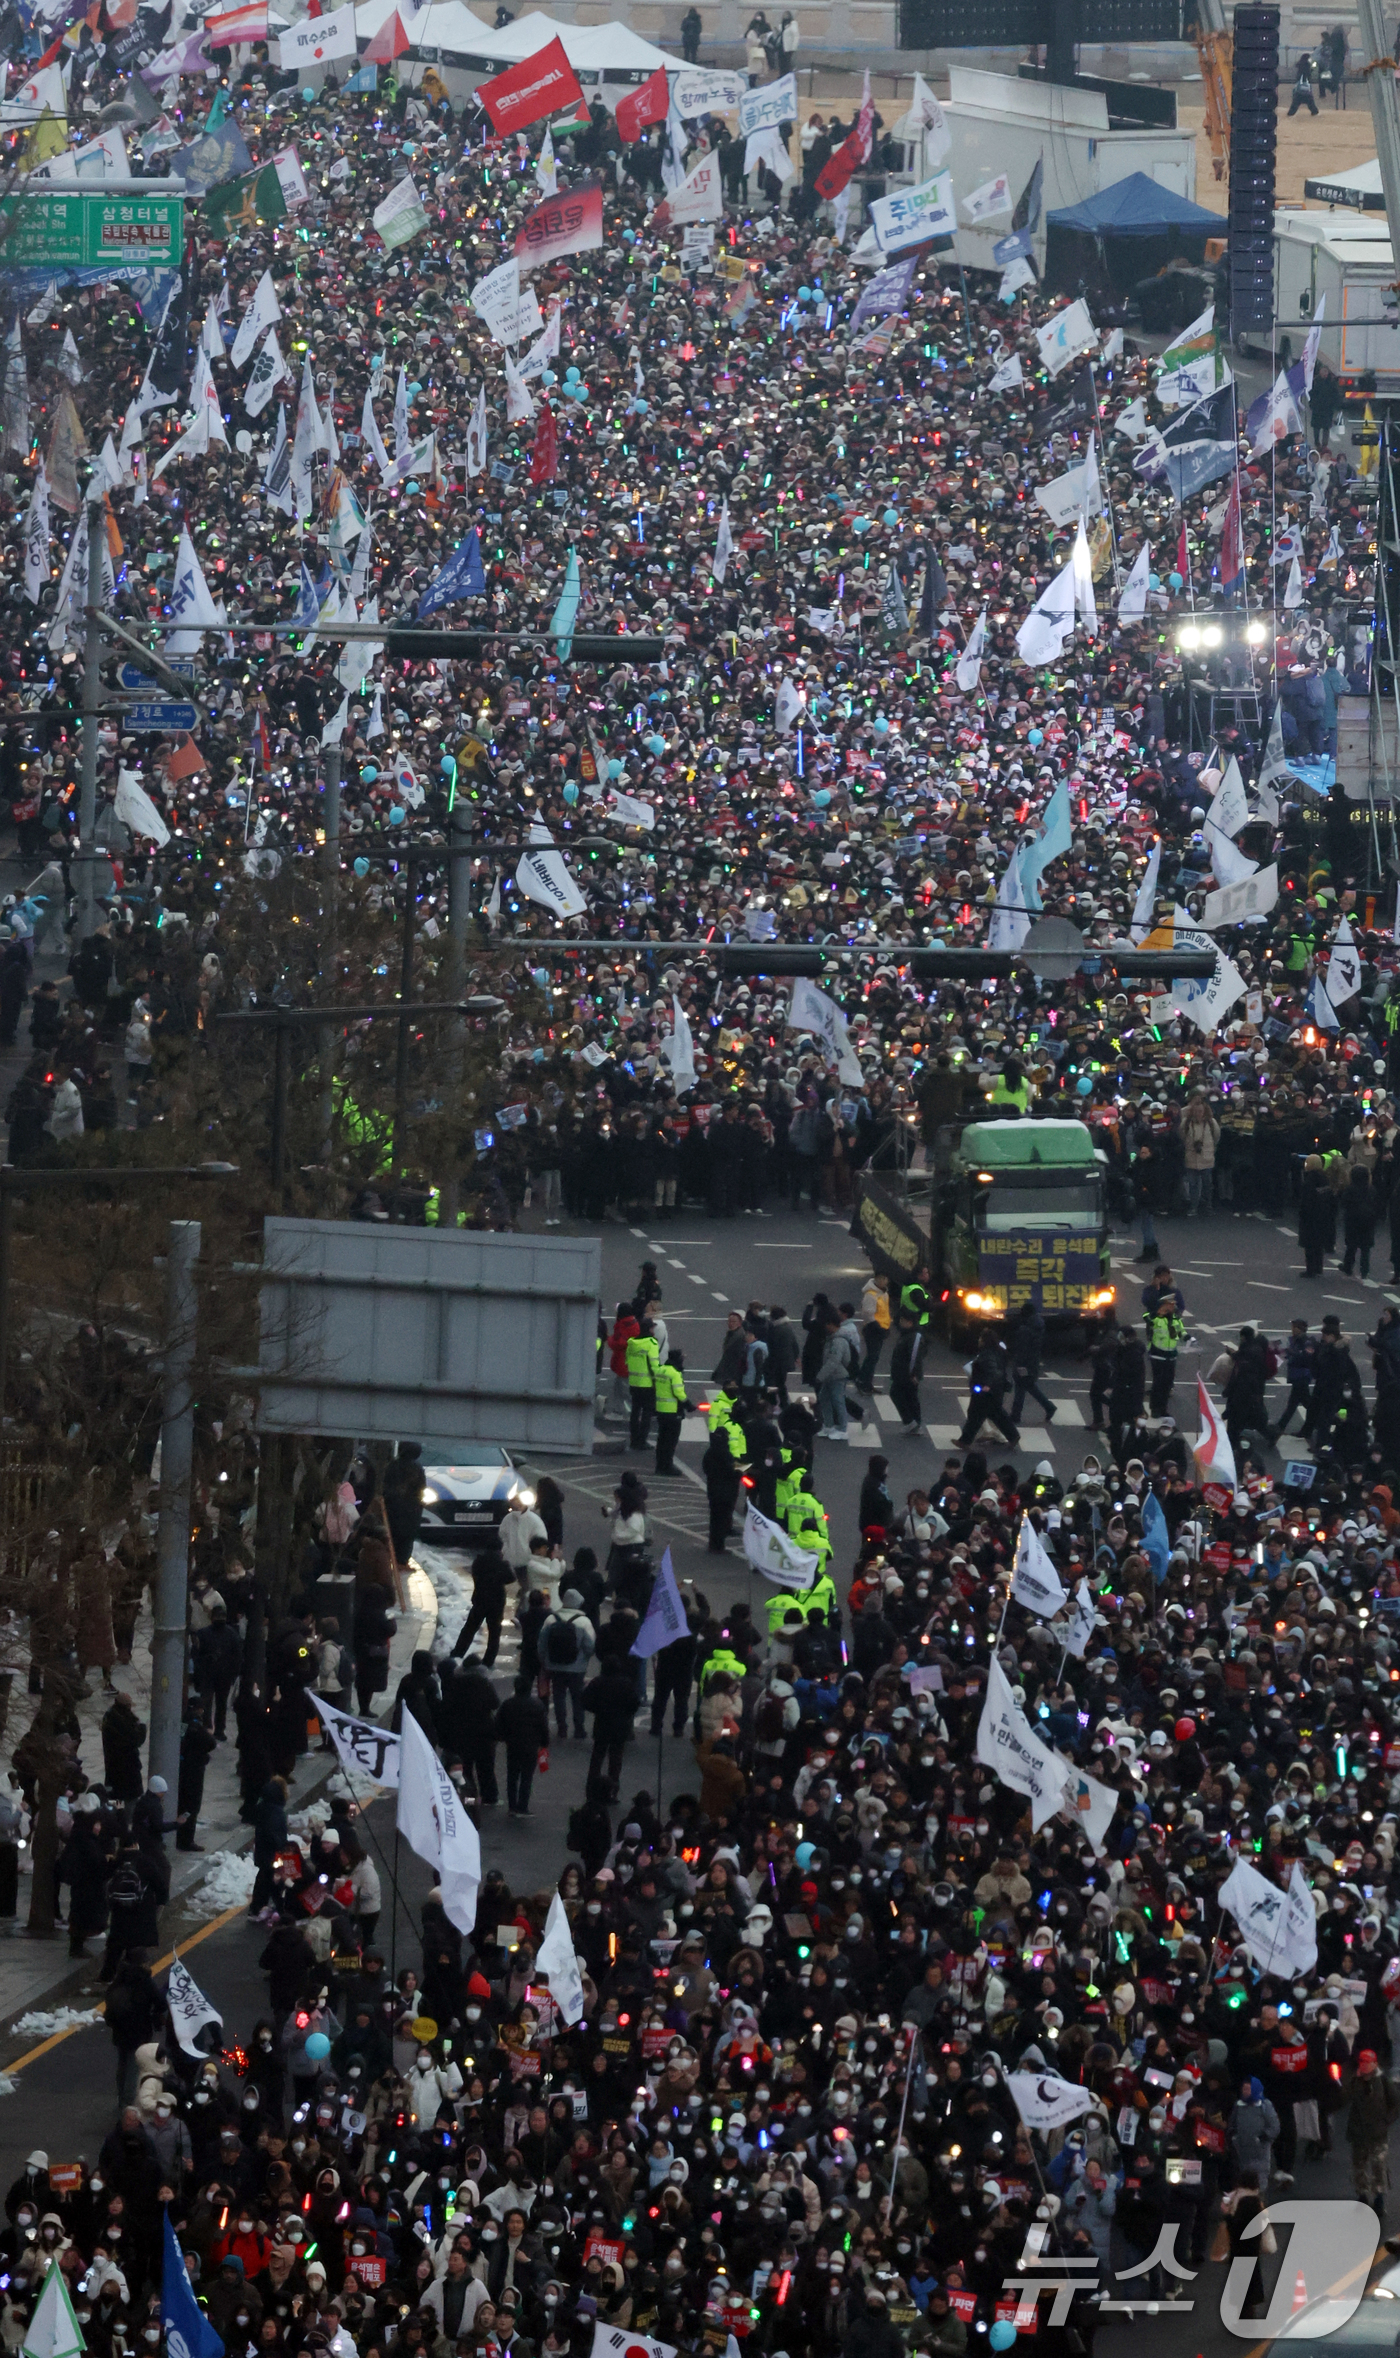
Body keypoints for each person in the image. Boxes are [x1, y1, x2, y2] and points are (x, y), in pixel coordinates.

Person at [539, 1586, 595, 1737]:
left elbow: (542, 1644)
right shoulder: (584, 1622)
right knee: (577, 1698)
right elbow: (590, 1646)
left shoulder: (551, 1619)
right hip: (577, 1667)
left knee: (558, 1696)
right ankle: (579, 1728)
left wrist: (544, 1661)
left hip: (554, 1665)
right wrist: (584, 1659)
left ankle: (561, 1727)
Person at [495, 1675, 549, 1818]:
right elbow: (543, 1727)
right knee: (527, 1776)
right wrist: (544, 1743)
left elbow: (499, 1724)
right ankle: (522, 1806)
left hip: (512, 1744)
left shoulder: (507, 1704)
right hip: (531, 1745)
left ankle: (512, 1806)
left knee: (512, 1776)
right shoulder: (537, 1705)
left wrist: (503, 1737)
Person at [957, 1331, 1019, 1449]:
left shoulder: (988, 1354)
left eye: (981, 1338)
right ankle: (1013, 1436)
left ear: (985, 1341)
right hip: (996, 1390)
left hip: (985, 1391)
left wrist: (987, 1385)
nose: (979, 1340)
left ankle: (964, 1441)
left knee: (975, 1415)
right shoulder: (998, 1352)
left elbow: (992, 1371)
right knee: (997, 1415)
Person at [1008, 1299, 1055, 1430]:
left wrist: (1018, 1364)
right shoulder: (1038, 1325)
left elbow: (1021, 1348)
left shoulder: (1024, 1329)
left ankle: (1016, 1414)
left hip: (1023, 1362)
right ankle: (1047, 1407)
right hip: (1033, 1361)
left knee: (1021, 1386)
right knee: (1027, 1386)